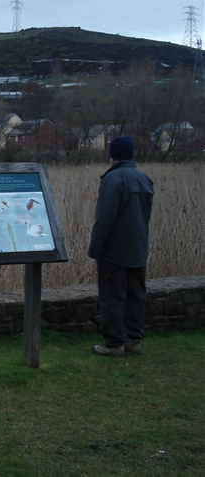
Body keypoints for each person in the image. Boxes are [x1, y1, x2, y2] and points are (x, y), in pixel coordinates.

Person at [88, 135, 154, 357]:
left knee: (112, 295)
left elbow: (105, 218)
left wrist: (95, 248)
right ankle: (133, 341)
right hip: (138, 247)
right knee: (136, 295)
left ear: (113, 155)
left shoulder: (113, 179)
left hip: (114, 249)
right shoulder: (144, 179)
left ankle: (114, 343)